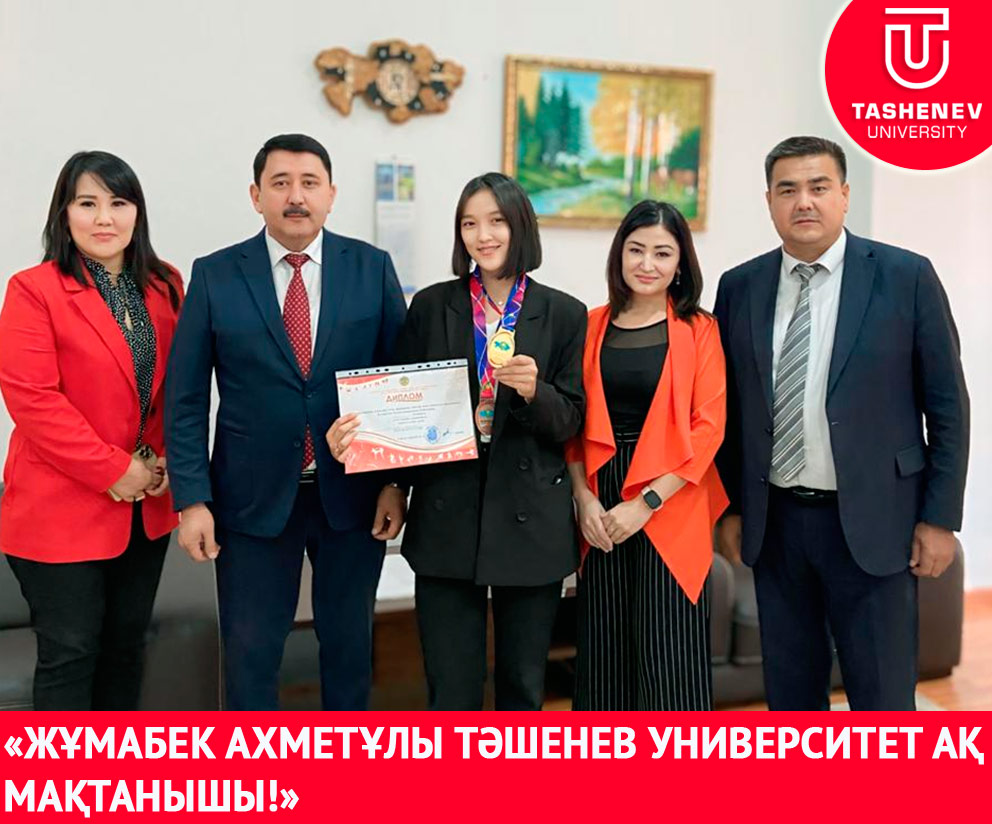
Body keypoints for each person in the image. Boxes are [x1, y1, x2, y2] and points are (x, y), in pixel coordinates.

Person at [713, 136, 969, 710]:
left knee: (882, 701)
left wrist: (939, 518)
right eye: (787, 190)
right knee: (791, 698)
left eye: (819, 186)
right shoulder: (740, 286)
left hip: (878, 522)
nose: (803, 201)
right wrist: (730, 508)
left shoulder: (905, 276)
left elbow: (948, 407)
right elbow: (729, 409)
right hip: (777, 526)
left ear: (845, 195)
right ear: (769, 201)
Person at [165, 133, 407, 711]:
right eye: (280, 183)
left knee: (349, 649)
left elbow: (401, 381)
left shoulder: (370, 268)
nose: (295, 197)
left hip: (352, 496)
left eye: (309, 183)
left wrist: (396, 482)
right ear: (256, 196)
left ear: (331, 194)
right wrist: (192, 500)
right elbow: (186, 398)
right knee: (250, 655)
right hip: (249, 501)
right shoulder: (216, 274)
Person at [327, 172, 586, 710]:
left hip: (530, 517)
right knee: (450, 688)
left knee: (522, 687)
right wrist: (392, 484)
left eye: (495, 221)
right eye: (469, 223)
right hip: (448, 508)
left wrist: (535, 392)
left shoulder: (565, 313)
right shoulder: (431, 305)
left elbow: (572, 421)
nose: (482, 235)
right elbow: (400, 403)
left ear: (521, 226)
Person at [0, 150, 182, 710]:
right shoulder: (34, 289)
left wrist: (168, 462)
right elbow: (34, 401)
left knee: (126, 652)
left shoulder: (165, 284)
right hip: (60, 507)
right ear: (64, 213)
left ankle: (112, 767)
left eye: (118, 203)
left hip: (146, 508)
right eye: (87, 203)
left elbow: (181, 385)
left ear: (137, 212)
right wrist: (114, 470)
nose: (104, 218)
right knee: (70, 654)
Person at [565, 201, 727, 710]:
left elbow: (709, 428)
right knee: (604, 654)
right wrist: (583, 501)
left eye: (662, 253)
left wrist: (646, 503)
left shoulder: (700, 329)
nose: (647, 264)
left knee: (669, 657)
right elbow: (572, 423)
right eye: (636, 250)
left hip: (671, 496)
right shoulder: (589, 325)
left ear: (680, 263)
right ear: (619, 254)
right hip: (601, 497)